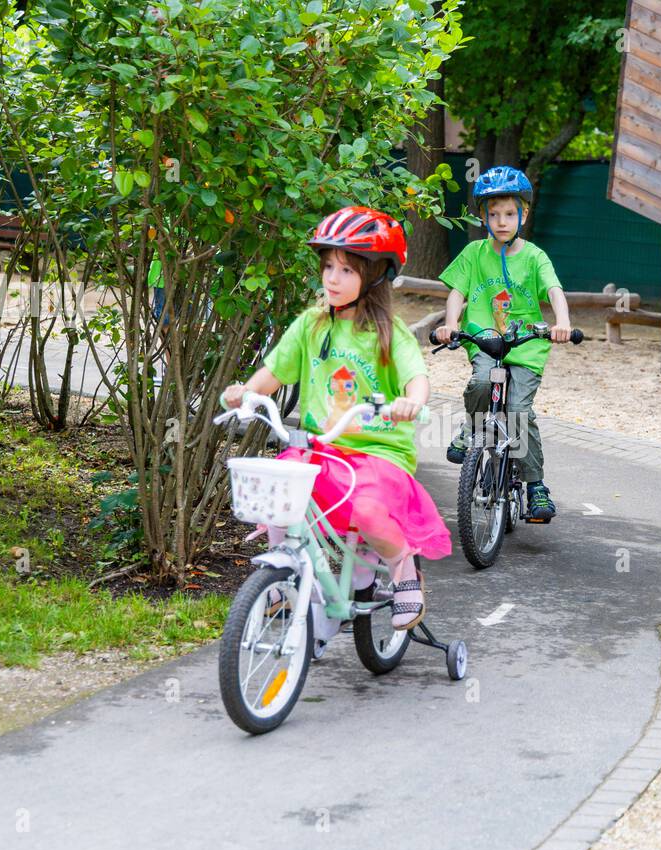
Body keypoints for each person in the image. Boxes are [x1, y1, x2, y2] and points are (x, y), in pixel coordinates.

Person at [223, 206, 450, 629]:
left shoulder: (388, 331)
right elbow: (272, 374)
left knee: (366, 511)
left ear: (377, 274)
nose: (332, 278)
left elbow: (416, 378)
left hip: (378, 453)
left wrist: (412, 402)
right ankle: (282, 576)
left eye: (346, 270)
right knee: (276, 492)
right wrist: (247, 393)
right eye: (328, 266)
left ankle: (403, 568)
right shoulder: (310, 325)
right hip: (321, 450)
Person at [434, 165, 572, 521]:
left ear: (523, 215)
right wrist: (451, 325)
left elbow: (554, 290)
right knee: (481, 383)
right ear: (482, 216)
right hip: (486, 342)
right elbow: (456, 293)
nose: (501, 221)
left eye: (510, 214)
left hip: (526, 347)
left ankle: (535, 486)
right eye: (493, 214)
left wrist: (563, 323)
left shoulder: (535, 257)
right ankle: (472, 429)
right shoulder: (474, 253)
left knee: (517, 412)